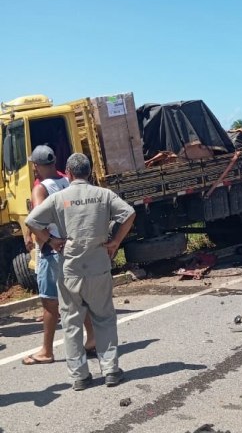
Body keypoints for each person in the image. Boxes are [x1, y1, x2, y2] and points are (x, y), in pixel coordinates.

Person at [25, 153, 136, 391]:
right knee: (104, 318)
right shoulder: (103, 195)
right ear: (90, 172)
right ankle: (110, 371)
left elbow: (32, 220)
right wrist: (115, 241)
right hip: (98, 265)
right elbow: (129, 214)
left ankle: (80, 377)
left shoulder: (59, 198)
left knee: (72, 322)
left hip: (71, 268)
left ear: (69, 172)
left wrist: (51, 241)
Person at [22, 145, 96, 366]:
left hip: (52, 251)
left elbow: (36, 219)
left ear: (36, 166)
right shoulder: (68, 180)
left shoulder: (41, 189)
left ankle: (46, 350)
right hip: (73, 248)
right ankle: (92, 338)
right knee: (79, 297)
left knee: (49, 303)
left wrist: (48, 240)